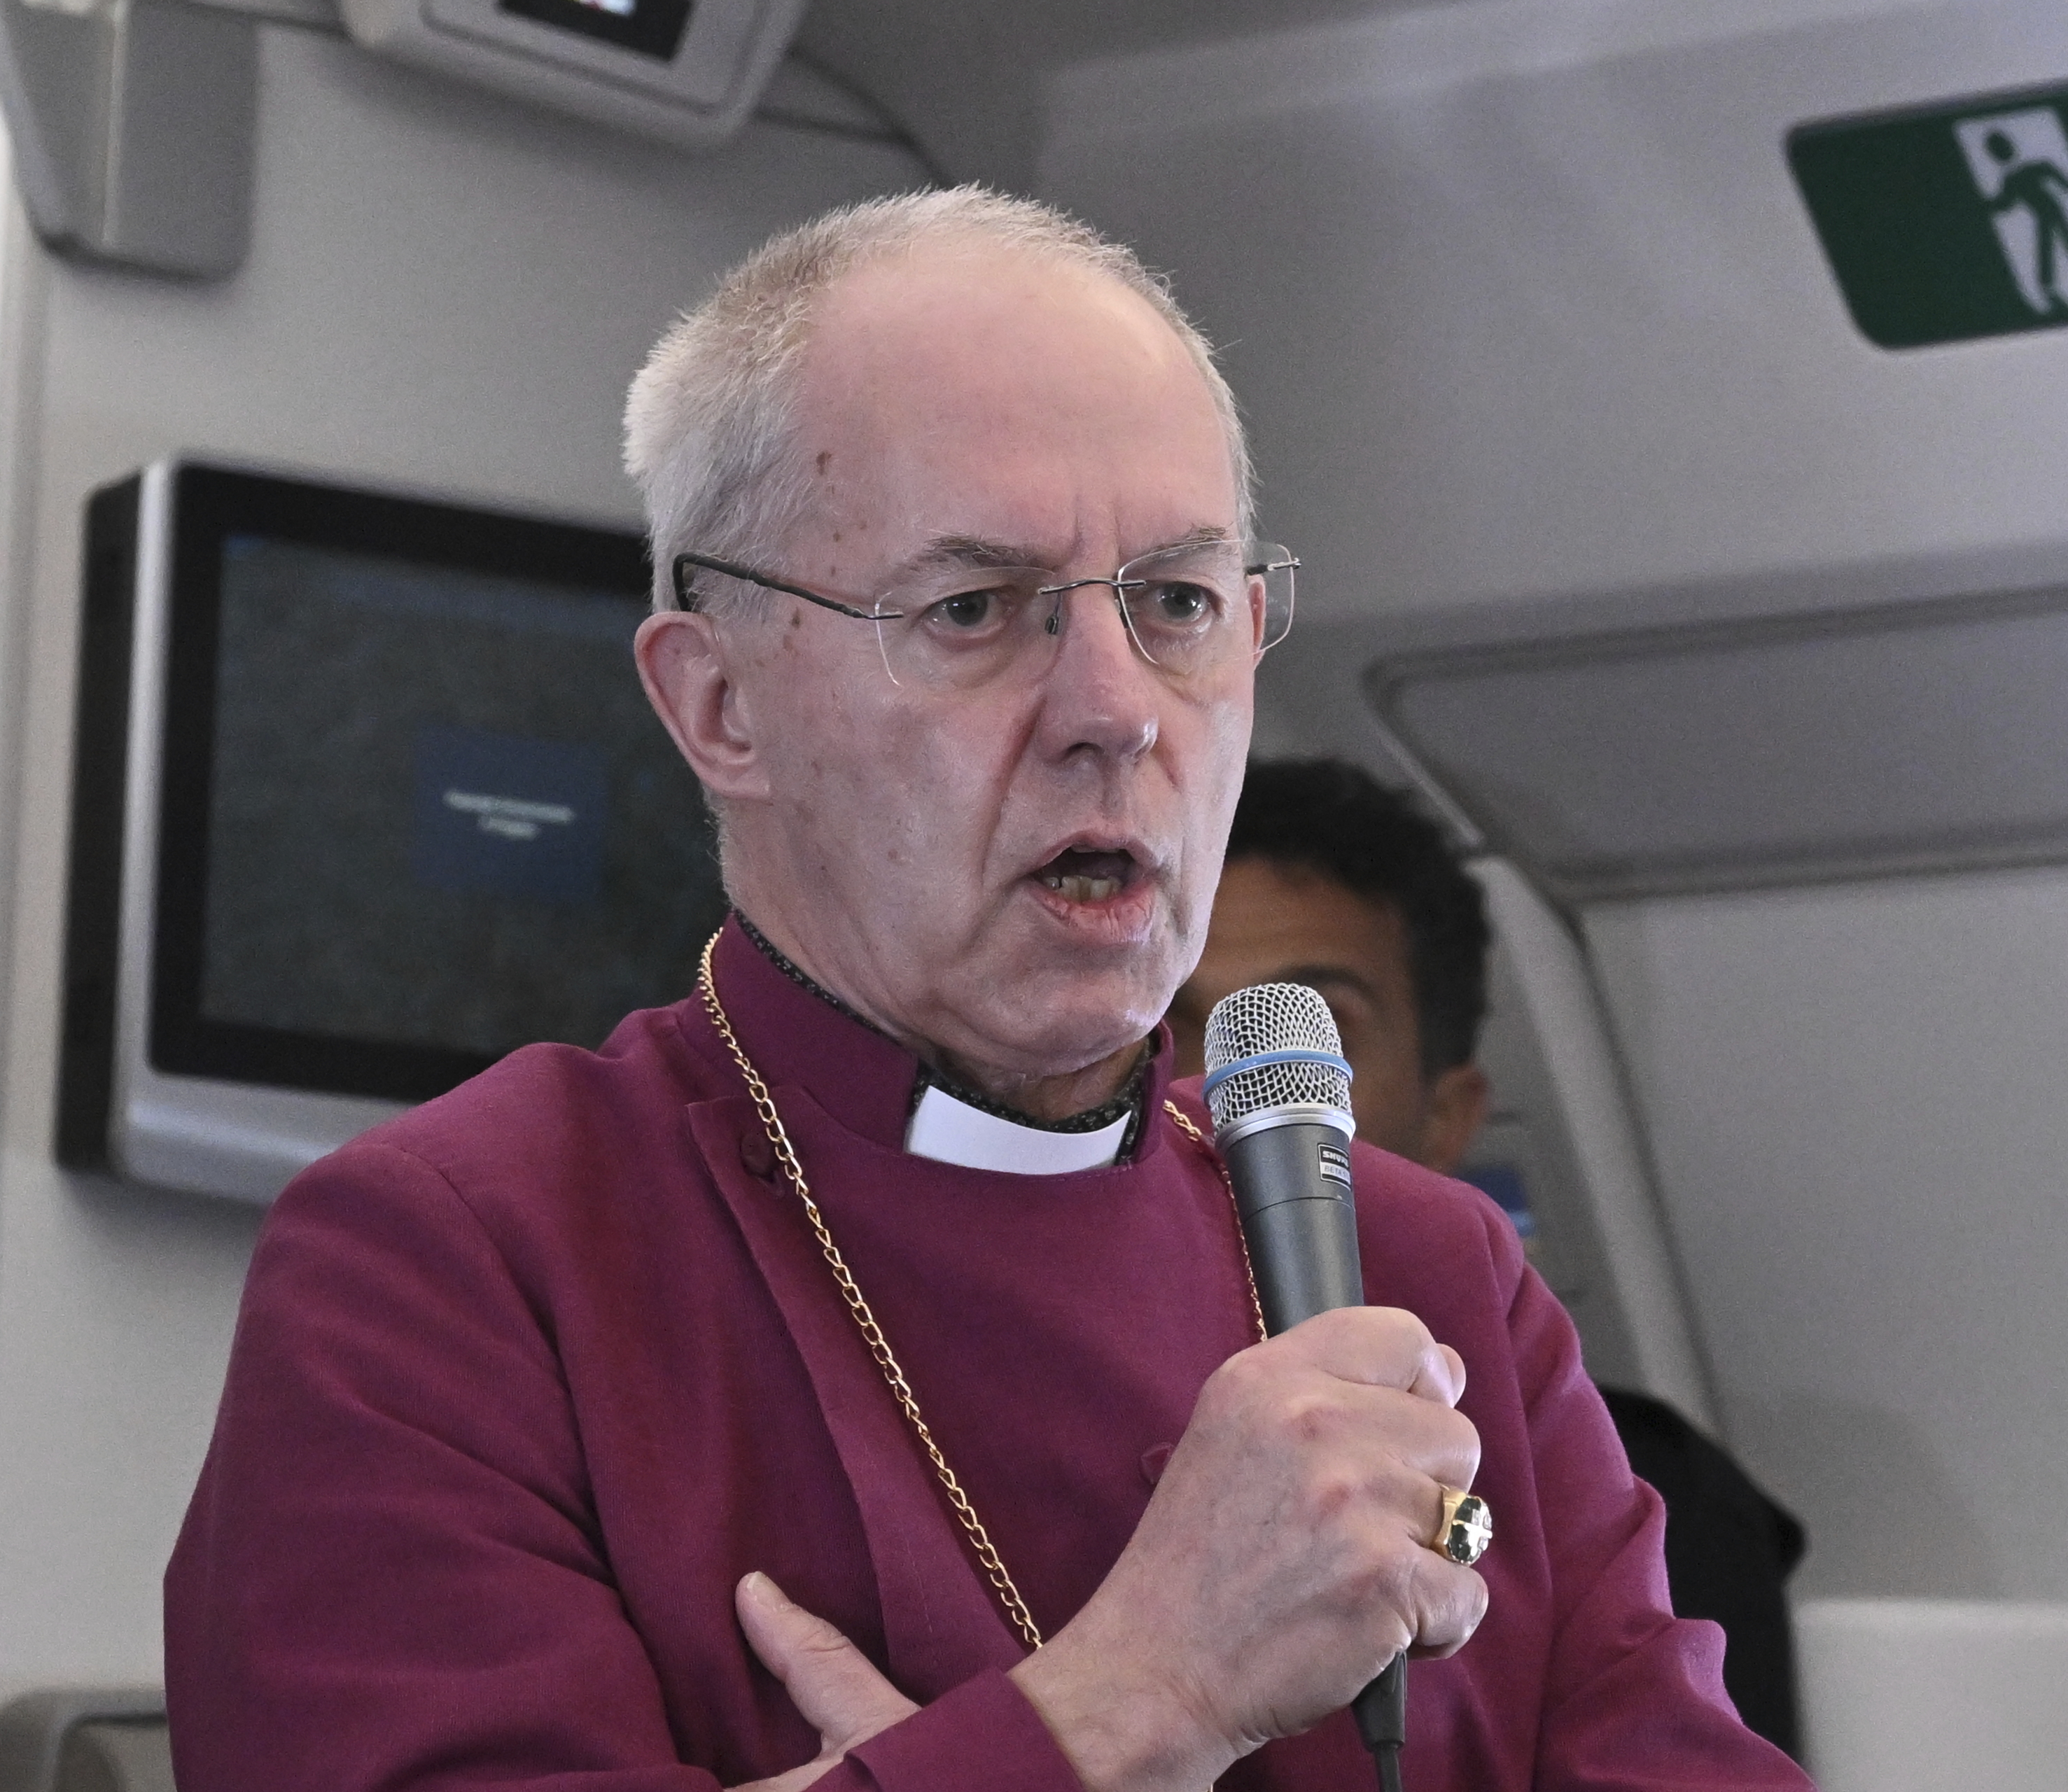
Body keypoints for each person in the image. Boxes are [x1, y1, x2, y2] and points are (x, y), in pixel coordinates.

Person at [165, 188, 1811, 1792]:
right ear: (721, 704)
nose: (1116, 709)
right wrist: (1133, 1696)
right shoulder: (454, 1268)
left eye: (1174, 602)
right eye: (972, 610)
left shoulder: (1430, 1274)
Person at [1170, 758, 1810, 1758]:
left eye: (1314, 1031)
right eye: (1173, 1026)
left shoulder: (1643, 1490)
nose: (1222, 1088)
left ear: (1448, 1115)